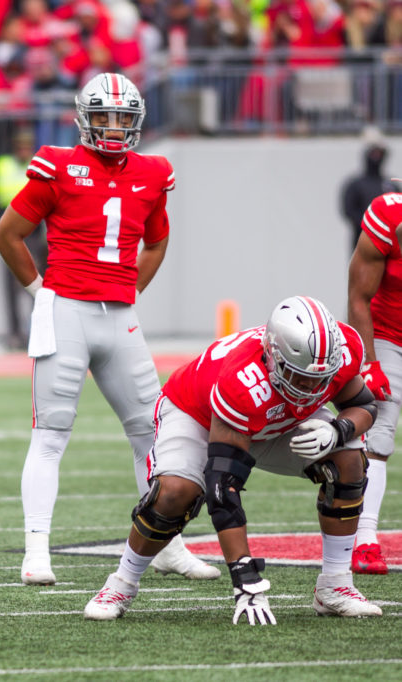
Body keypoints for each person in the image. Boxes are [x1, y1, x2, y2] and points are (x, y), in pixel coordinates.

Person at [0, 71, 218, 585]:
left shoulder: (153, 172)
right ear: (83, 117)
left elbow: (157, 242)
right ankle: (36, 551)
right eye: (104, 116)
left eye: (123, 117)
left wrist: (130, 289)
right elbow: (8, 235)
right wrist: (38, 292)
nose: (114, 127)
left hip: (120, 316)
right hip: (66, 309)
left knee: (154, 433)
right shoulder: (60, 165)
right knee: (51, 435)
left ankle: (168, 543)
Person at [85, 296, 383, 624]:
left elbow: (365, 405)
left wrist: (339, 430)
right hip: (198, 414)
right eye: (300, 377)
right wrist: (245, 578)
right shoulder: (242, 381)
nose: (312, 388)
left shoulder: (339, 353)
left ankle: (335, 586)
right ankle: (121, 583)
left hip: (274, 418)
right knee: (174, 493)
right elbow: (222, 487)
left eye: (320, 378)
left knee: (349, 460)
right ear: (273, 356)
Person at [346, 189, 402, 574]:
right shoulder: (388, 215)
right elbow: (358, 296)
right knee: (380, 429)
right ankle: (364, 538)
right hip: (386, 332)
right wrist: (370, 361)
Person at [0, 127, 46, 349]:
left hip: (33, 234)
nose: (23, 150)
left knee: (35, 283)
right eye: (20, 146)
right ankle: (15, 333)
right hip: (9, 234)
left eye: (27, 146)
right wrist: (3, 215)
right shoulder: (2, 165)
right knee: (10, 286)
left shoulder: (39, 165)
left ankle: (36, 331)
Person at [340, 127, 399, 252]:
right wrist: (374, 227)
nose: (377, 157)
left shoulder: (392, 185)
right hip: (362, 247)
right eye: (374, 153)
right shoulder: (355, 185)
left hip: (390, 249)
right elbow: (349, 211)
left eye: (380, 153)